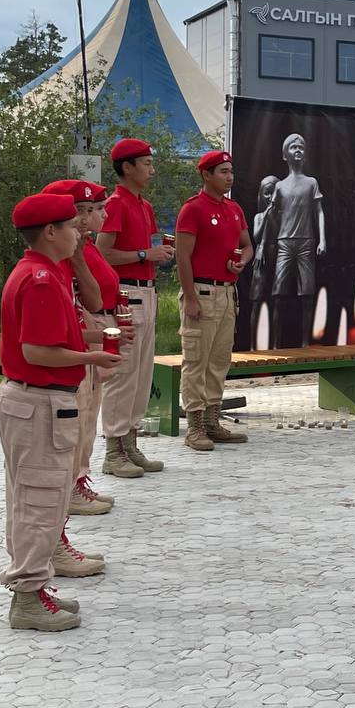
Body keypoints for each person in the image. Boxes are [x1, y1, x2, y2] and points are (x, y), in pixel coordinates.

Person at [0, 193, 123, 630]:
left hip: (35, 402)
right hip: (38, 403)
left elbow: (63, 330)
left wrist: (101, 332)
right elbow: (38, 351)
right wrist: (93, 359)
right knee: (38, 502)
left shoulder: (43, 272)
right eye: (71, 225)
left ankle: (35, 588)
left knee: (35, 498)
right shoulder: (42, 280)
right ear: (50, 232)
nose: (79, 232)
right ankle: (28, 598)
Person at [42, 180, 127, 513]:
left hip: (87, 340)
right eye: (81, 211)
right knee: (73, 421)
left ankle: (78, 482)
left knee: (88, 416)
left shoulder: (79, 250)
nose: (89, 218)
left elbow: (93, 298)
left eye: (93, 210)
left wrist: (79, 257)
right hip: (70, 351)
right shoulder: (49, 262)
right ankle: (68, 488)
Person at [97, 139, 172, 479]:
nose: (151, 169)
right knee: (123, 374)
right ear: (126, 167)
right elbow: (103, 254)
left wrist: (160, 251)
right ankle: (113, 451)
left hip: (148, 291)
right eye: (145, 163)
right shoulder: (115, 204)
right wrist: (144, 255)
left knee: (142, 375)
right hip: (127, 294)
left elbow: (150, 246)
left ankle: (130, 442)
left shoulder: (143, 204)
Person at [176, 150, 254, 451]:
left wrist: (242, 262)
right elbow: (183, 256)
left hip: (227, 292)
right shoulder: (193, 209)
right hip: (202, 291)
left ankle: (212, 419)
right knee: (196, 360)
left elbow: (247, 246)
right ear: (206, 175)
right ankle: (194, 426)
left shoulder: (234, 209)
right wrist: (191, 298)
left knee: (219, 360)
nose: (229, 176)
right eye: (222, 171)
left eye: (231, 171)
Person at [271, 132, 326, 347]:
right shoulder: (279, 186)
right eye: (293, 147)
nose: (298, 150)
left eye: (301, 147)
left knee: (307, 293)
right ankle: (275, 345)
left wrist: (323, 240)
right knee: (278, 293)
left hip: (306, 241)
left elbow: (319, 212)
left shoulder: (311, 183)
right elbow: (272, 216)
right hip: (285, 242)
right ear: (285, 154)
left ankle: (305, 343)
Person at [249, 175, 278, 347]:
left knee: (277, 301)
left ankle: (276, 345)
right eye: (267, 193)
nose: (270, 197)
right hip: (262, 259)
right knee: (257, 302)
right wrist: (267, 214)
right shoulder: (260, 216)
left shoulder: (283, 216)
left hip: (278, 257)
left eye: (273, 193)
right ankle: (253, 345)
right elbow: (257, 236)